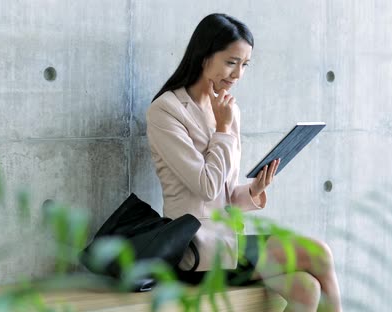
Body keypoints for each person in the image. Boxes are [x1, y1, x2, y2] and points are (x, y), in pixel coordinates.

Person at [146, 13, 342, 311]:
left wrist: (253, 191)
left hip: (228, 243)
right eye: (231, 61)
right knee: (320, 254)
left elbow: (222, 197)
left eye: (244, 65)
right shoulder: (166, 111)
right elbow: (206, 187)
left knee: (306, 288)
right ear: (204, 56)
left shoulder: (227, 109)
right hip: (195, 253)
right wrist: (222, 129)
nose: (237, 74)